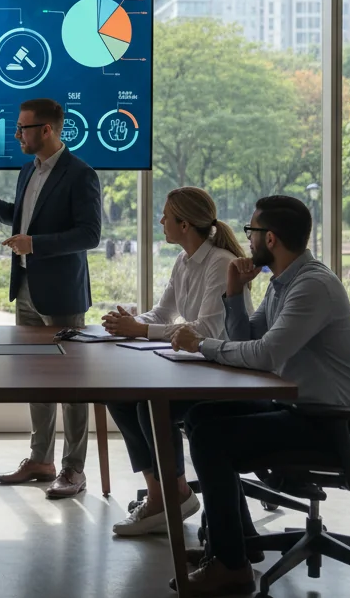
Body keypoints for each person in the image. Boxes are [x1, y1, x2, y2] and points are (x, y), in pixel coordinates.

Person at [170, 195, 350, 597]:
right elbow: (247, 339)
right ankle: (235, 546)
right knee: (201, 417)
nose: (248, 240)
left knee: (210, 438)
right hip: (300, 407)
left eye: (252, 232)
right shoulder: (283, 283)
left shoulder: (311, 286)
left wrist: (201, 345)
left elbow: (265, 355)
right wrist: (234, 291)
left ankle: (231, 566)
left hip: (329, 421)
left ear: (271, 238)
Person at [0, 98, 102, 499]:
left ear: (46, 130)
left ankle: (73, 469)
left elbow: (89, 235)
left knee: (71, 385)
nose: (16, 135)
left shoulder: (80, 174)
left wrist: (36, 244)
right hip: (28, 290)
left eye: (23, 128)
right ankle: (41, 459)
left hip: (63, 294)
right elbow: (20, 217)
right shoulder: (27, 170)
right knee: (37, 379)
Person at [106, 187, 250, 537]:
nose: (161, 221)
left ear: (184, 224)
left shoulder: (219, 263)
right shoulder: (184, 260)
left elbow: (209, 329)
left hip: (222, 370)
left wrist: (142, 330)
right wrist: (133, 320)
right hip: (197, 365)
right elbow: (164, 312)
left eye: (166, 216)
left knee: (149, 405)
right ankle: (162, 494)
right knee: (121, 396)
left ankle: (173, 495)